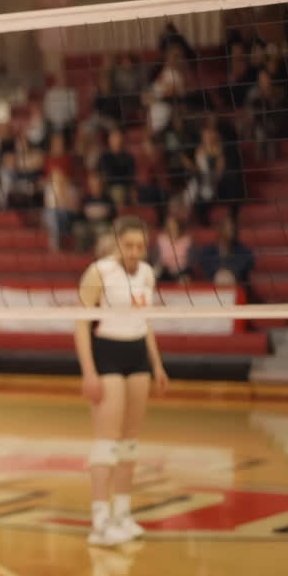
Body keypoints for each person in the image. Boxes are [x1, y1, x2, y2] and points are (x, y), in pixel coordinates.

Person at [75, 216, 169, 547]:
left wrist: (157, 364)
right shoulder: (99, 272)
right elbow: (81, 324)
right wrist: (88, 371)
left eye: (140, 247)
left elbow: (147, 322)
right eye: (128, 246)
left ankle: (122, 514)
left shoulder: (146, 274)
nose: (134, 252)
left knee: (130, 441)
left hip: (138, 354)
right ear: (117, 243)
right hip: (108, 354)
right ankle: (100, 521)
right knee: (107, 441)